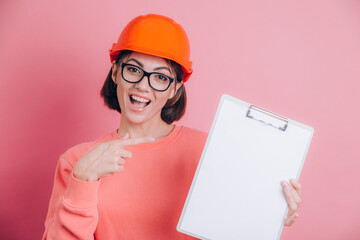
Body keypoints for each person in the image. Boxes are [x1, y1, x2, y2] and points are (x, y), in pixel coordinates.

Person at [42, 14, 302, 240]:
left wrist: (268, 220)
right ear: (115, 72)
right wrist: (83, 182)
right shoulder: (77, 162)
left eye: (160, 77)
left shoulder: (209, 151)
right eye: (133, 69)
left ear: (175, 88)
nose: (143, 86)